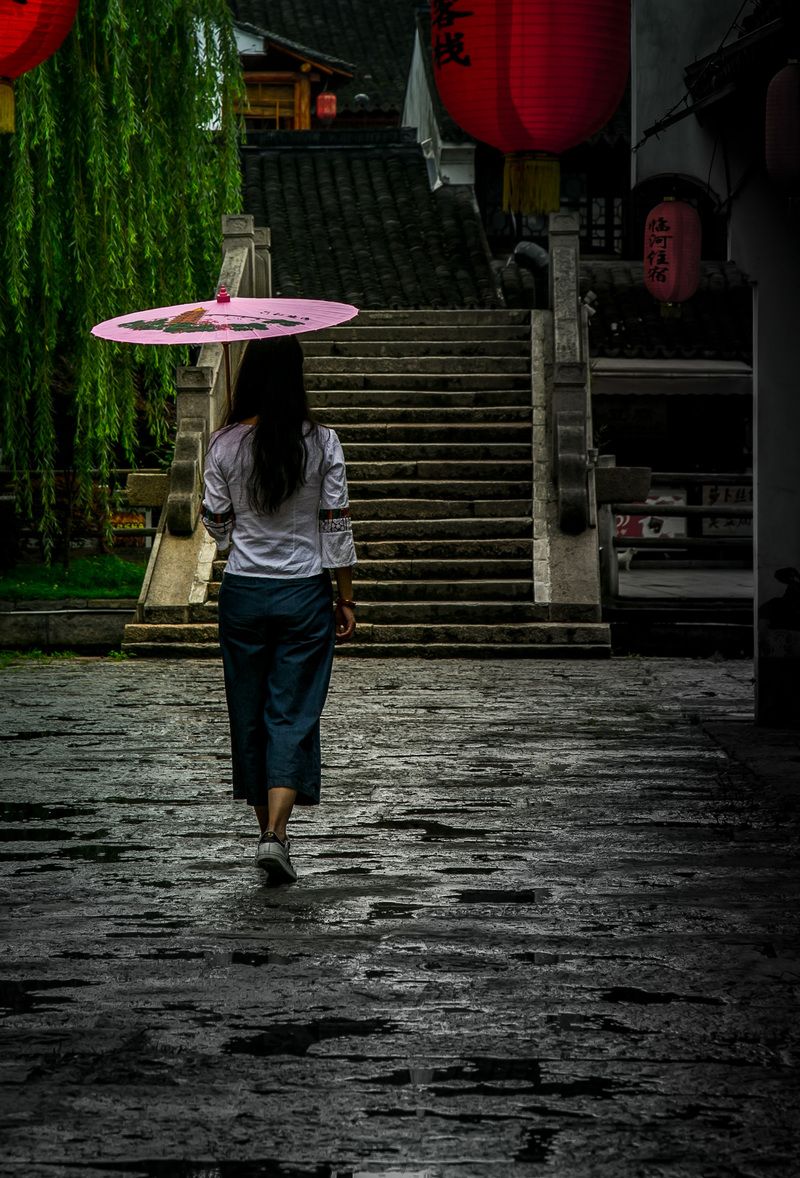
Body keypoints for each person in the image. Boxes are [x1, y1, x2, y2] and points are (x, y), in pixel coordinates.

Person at [201, 335, 357, 885]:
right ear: (297, 376)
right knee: (291, 712)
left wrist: (232, 523)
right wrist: (346, 597)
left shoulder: (222, 445)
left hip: (243, 594)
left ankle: (269, 835)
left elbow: (216, 528)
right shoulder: (323, 443)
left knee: (248, 712)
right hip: (303, 594)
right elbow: (335, 528)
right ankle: (277, 834)